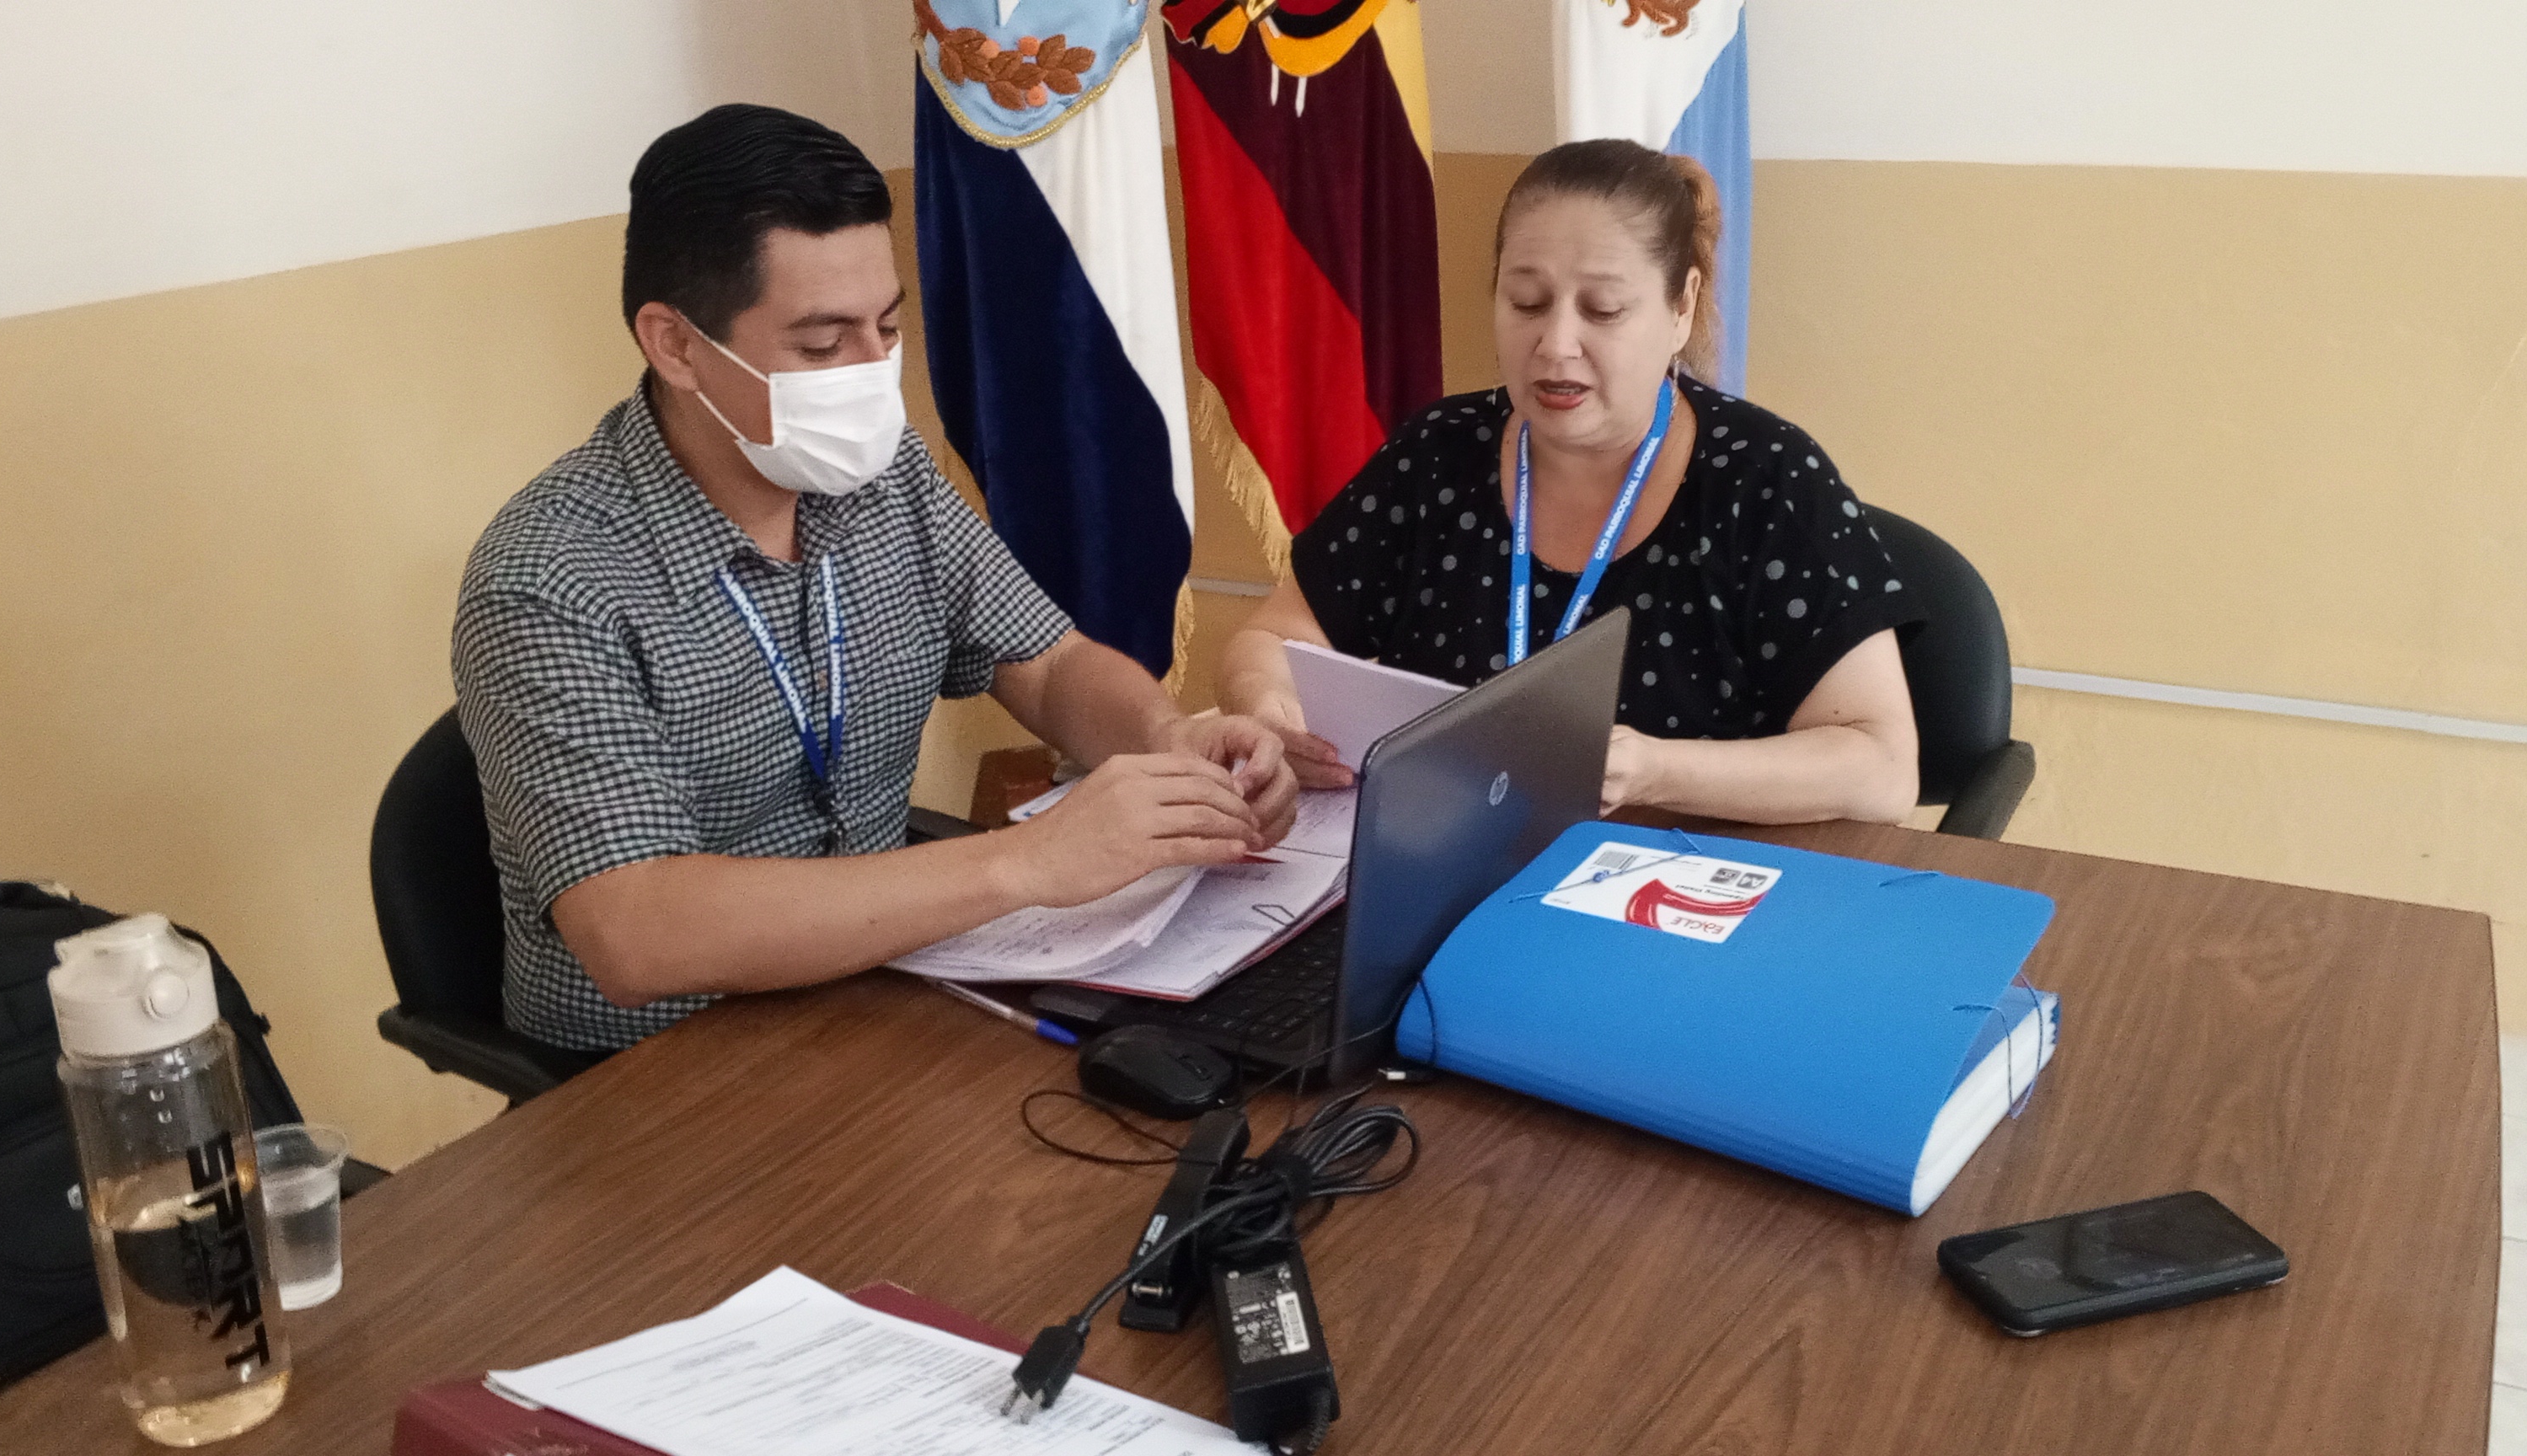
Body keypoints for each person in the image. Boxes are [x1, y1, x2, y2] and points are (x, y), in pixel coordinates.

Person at [453, 105, 1295, 1052]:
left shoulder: (882, 476)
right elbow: (636, 932)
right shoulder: (548, 578)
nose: (870, 374)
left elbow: (1050, 665)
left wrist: (1168, 742)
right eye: (822, 346)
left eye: (887, 327)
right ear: (676, 345)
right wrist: (1027, 861)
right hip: (659, 1061)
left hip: (876, 986)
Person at [1218, 140, 1924, 824]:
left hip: (1679, 876)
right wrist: (1268, 702)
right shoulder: (1437, 455)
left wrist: (1651, 769)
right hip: (1455, 853)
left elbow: (1882, 769)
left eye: (1603, 310)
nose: (1555, 345)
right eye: (1526, 302)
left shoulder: (1766, 479)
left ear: (1682, 307)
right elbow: (1275, 636)